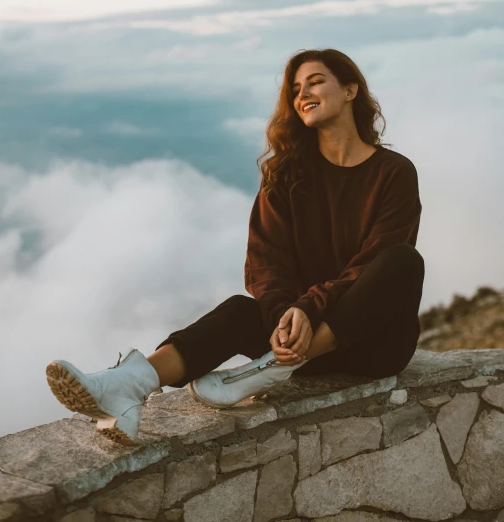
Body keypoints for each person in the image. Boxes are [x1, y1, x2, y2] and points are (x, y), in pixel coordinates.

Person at [46, 48, 424, 446]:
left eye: (315, 81)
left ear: (350, 90)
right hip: (292, 342)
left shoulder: (394, 173)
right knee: (242, 310)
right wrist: (283, 315)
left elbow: (370, 263)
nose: (303, 94)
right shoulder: (285, 174)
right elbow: (266, 260)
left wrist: (307, 309)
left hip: (374, 345)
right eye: (295, 89)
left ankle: (273, 366)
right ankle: (128, 385)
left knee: (402, 261)